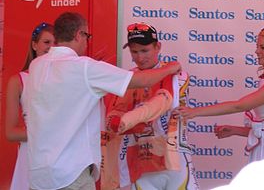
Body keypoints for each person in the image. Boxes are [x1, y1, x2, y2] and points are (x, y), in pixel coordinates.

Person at [25, 12, 181, 190]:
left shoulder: (37, 65)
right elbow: (143, 80)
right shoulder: (84, 67)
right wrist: (170, 68)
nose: (87, 42)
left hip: (38, 175)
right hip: (70, 173)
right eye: (87, 36)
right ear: (79, 35)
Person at [174, 26, 264, 163]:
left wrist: (194, 112)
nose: (257, 51)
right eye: (257, 46)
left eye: (262, 47)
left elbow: (239, 106)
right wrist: (234, 130)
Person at [101, 22, 199, 190]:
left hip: (174, 162)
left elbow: (158, 106)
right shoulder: (128, 79)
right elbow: (115, 115)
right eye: (134, 51)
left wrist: (129, 120)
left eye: (144, 50)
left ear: (158, 47)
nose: (139, 57)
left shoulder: (177, 75)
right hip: (141, 165)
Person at [5, 22, 55, 190]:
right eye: (46, 42)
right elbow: (11, 133)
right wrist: (47, 134)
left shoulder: (66, 77)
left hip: (62, 156)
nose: (51, 47)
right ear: (34, 45)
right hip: (30, 157)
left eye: (55, 43)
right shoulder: (17, 81)